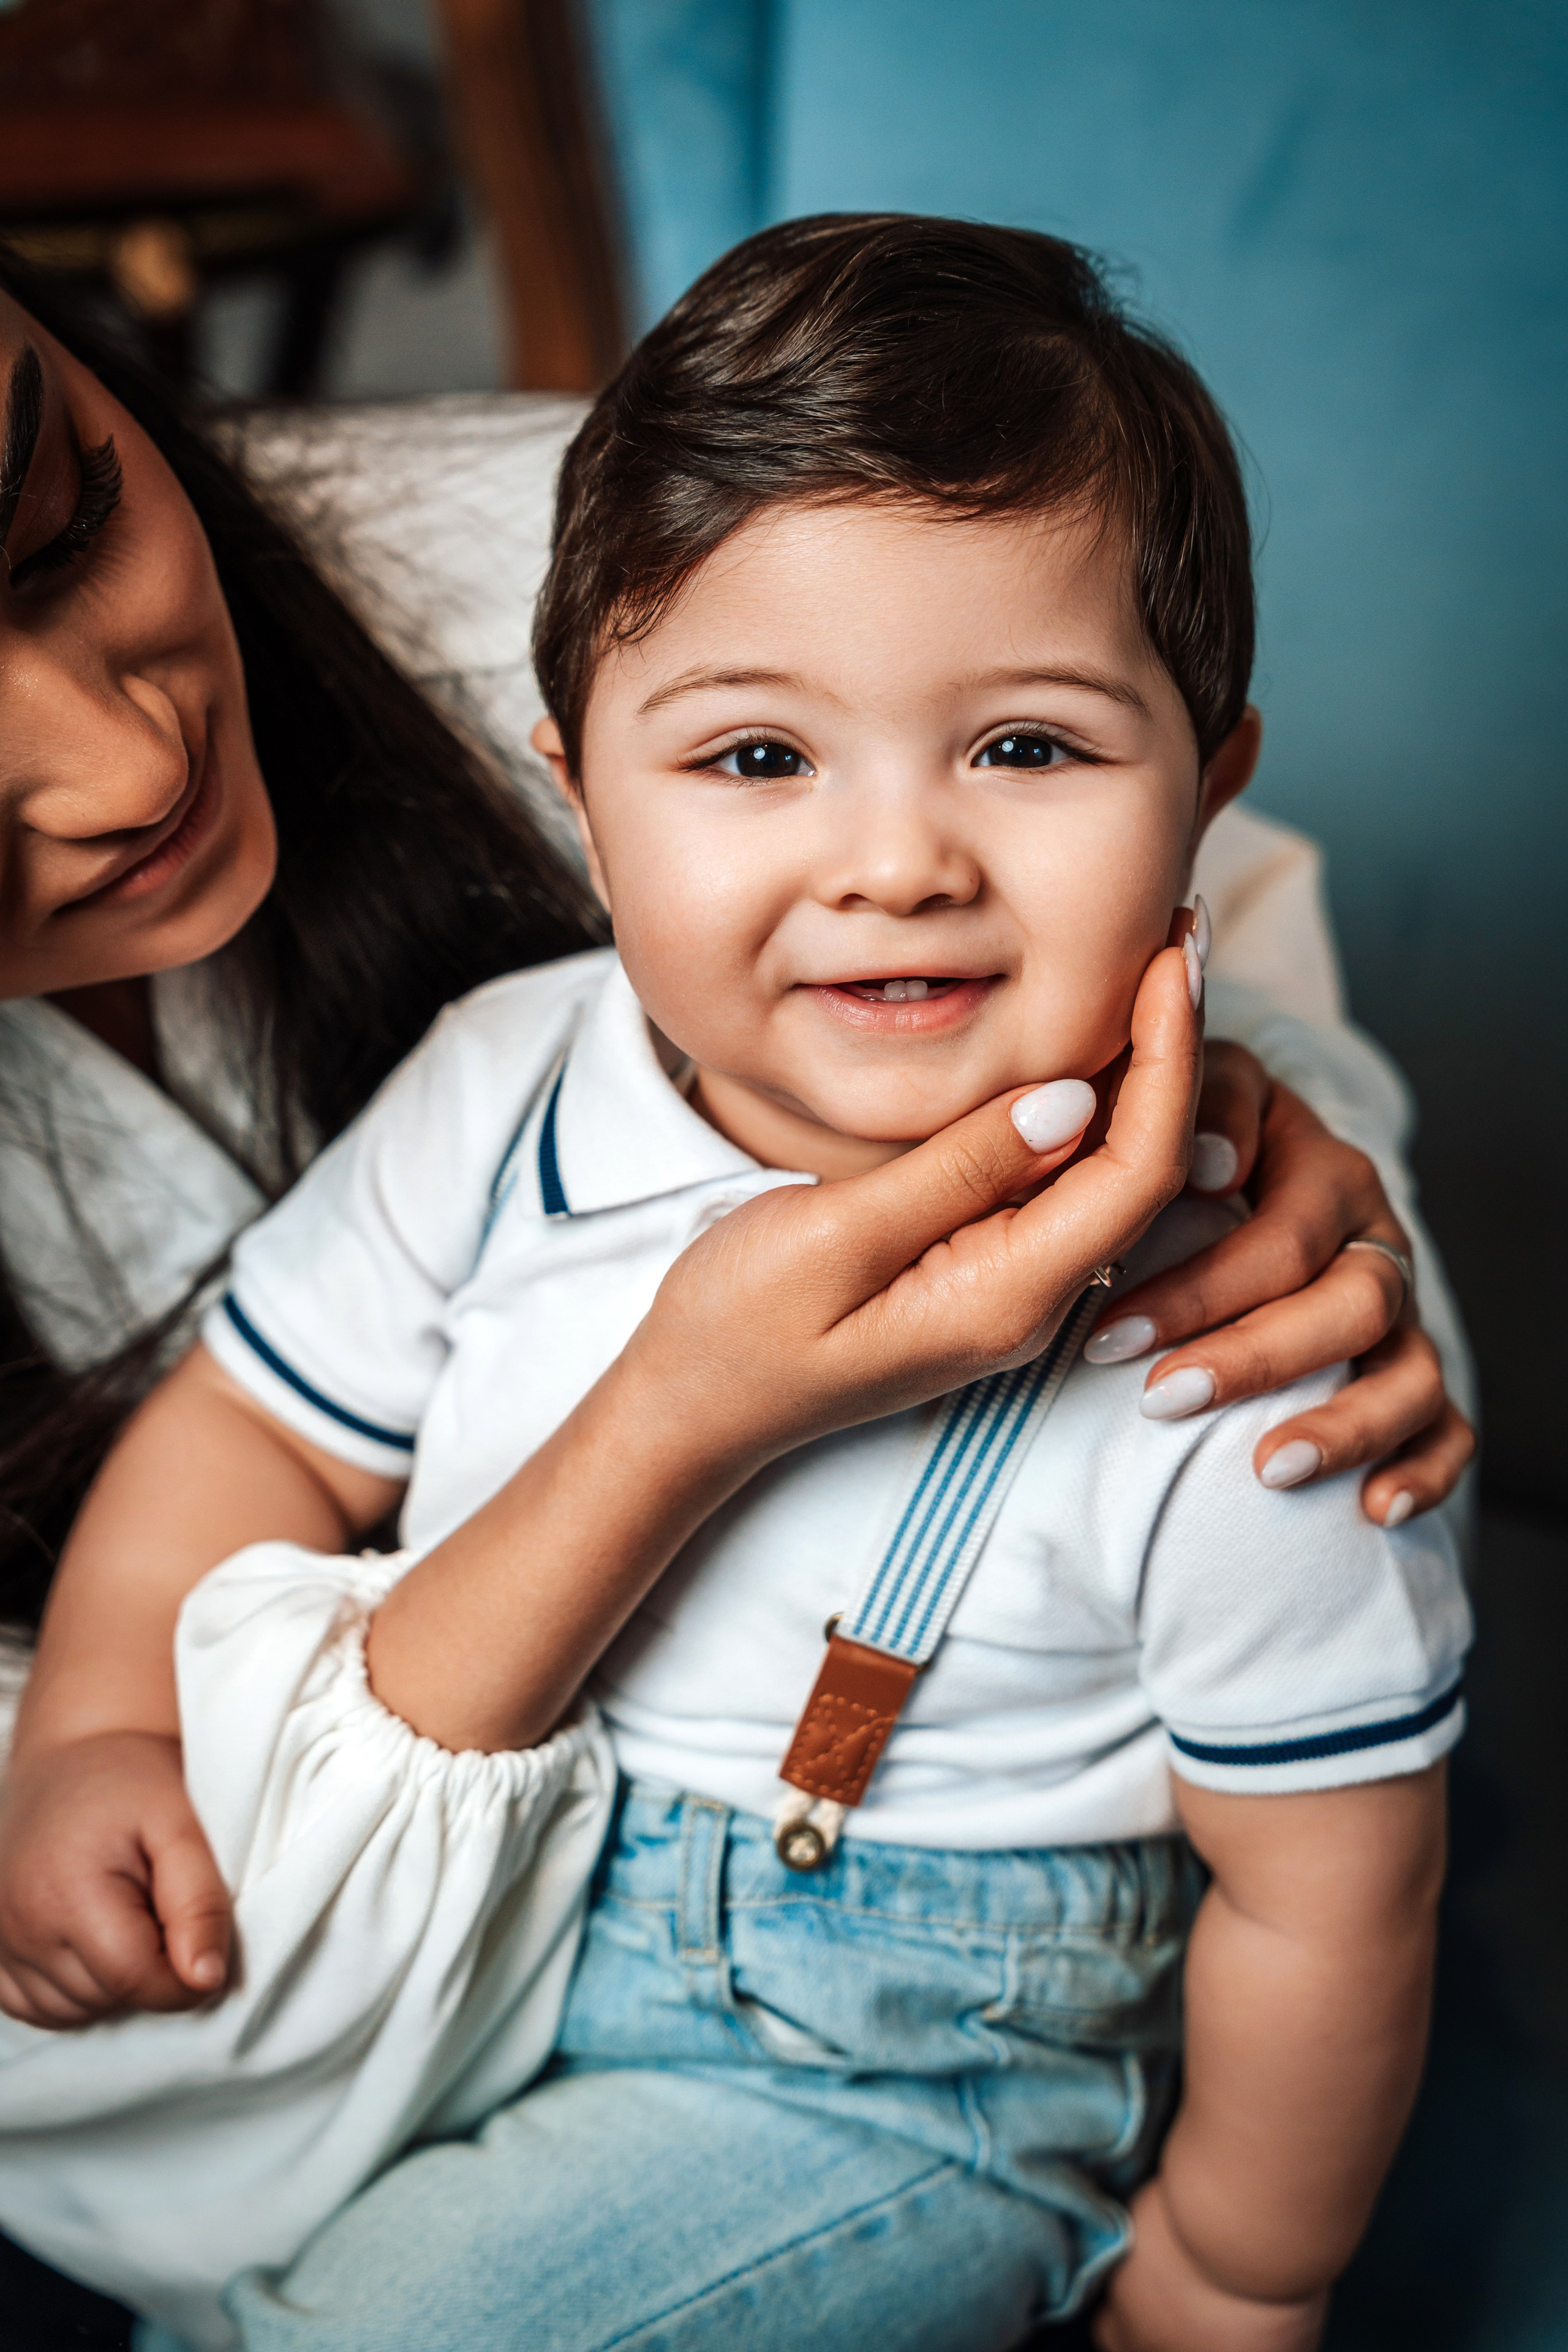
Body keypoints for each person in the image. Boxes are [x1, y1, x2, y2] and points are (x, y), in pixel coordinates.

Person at [0, 217, 1471, 2352]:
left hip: (904, 2069)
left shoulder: (1222, 1352)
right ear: (578, 802)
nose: (898, 862)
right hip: (480, 1974)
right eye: (761, 764)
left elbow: (1333, 1888)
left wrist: (1240, 2277)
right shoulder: (512, 1087)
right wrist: (100, 1727)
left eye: (1030, 754)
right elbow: (250, 1422)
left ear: (1202, 802)